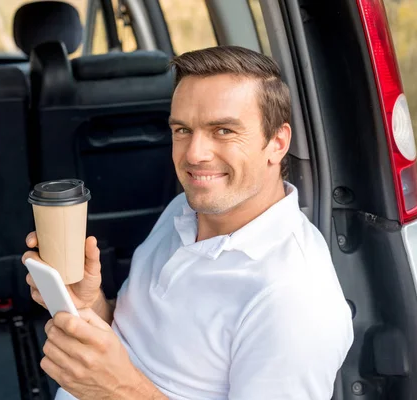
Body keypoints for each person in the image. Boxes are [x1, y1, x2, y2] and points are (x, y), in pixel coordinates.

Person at [22, 45, 354, 400]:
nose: (194, 154)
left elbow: (122, 382)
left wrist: (119, 391)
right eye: (182, 130)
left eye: (223, 131)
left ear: (277, 142)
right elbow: (140, 341)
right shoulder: (185, 210)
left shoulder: (294, 301)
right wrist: (89, 305)